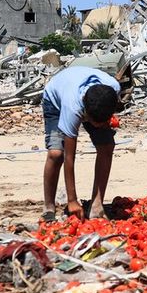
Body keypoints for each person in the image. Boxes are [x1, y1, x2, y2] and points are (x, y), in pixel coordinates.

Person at [41, 66, 121, 221]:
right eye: (93, 122)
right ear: (86, 113)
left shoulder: (113, 90)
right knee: (57, 154)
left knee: (107, 146)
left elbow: (103, 114)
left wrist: (103, 122)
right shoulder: (72, 108)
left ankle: (97, 205)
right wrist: (72, 200)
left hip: (92, 100)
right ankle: (49, 207)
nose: (96, 126)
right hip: (55, 99)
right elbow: (69, 157)